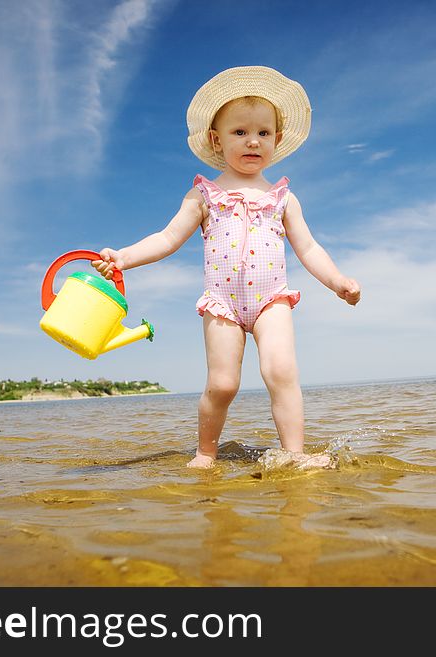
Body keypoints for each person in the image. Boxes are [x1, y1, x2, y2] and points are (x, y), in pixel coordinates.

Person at [92, 66, 361, 468]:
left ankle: (295, 455)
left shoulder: (283, 197)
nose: (253, 141)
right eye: (240, 132)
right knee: (222, 384)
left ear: (278, 139)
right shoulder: (204, 194)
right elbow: (166, 238)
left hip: (272, 299)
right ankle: (206, 454)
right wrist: (124, 258)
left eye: (263, 133)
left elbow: (308, 247)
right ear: (217, 140)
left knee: (282, 372)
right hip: (223, 302)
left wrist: (337, 280)